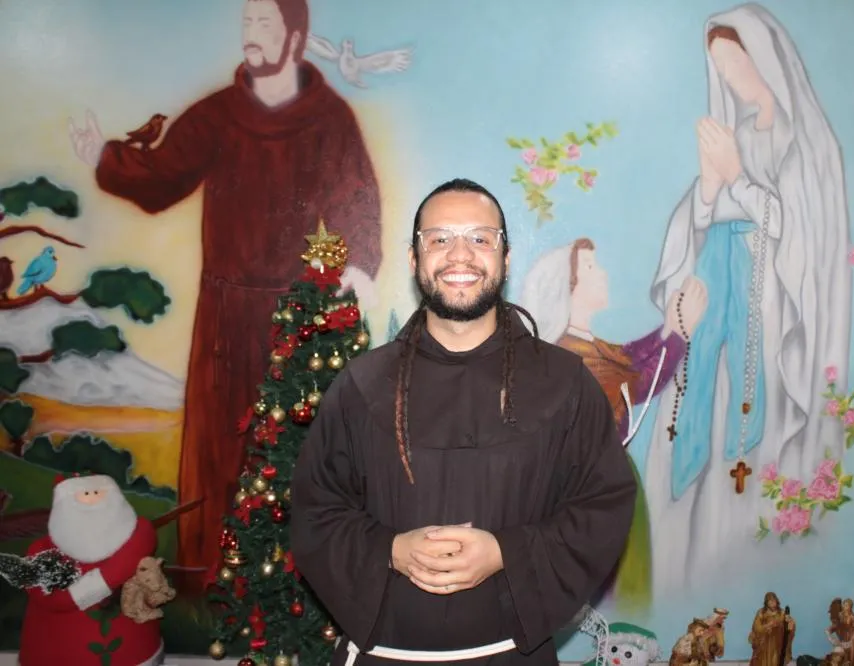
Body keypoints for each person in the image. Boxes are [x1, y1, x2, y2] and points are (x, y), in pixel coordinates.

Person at [67, 0, 383, 573]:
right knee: (217, 448)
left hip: (296, 314)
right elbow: (164, 174)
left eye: (264, 25)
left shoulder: (329, 119)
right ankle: (207, 576)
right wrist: (106, 159)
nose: (251, 36)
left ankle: (290, 585)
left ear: (294, 38)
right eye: (247, 25)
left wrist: (358, 266)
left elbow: (356, 197)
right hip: (224, 309)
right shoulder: (218, 114)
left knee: (293, 447)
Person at [290, 178, 637, 665]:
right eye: (439, 238)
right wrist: (391, 550)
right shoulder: (361, 385)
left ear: (505, 258)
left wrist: (506, 553)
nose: (460, 255)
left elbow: (602, 508)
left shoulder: (565, 383)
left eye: (479, 238)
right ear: (414, 259)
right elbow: (316, 513)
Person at [644, 3, 853, 593]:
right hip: (718, 289)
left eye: (736, 62)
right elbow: (696, 219)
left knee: (752, 424)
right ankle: (696, 540)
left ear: (765, 58)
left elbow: (799, 231)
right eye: (720, 68)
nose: (731, 78)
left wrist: (736, 177)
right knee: (704, 408)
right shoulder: (729, 134)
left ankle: (743, 545)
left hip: (770, 306)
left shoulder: (805, 142)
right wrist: (710, 191)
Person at [518, 238, 707, 616]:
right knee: (616, 584)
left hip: (610, 475)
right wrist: (678, 334)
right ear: (568, 288)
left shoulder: (587, 346)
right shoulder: (570, 355)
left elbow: (626, 359)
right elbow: (635, 382)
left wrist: (669, 330)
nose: (602, 273)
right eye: (591, 268)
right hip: (596, 486)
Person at [19, 474, 163, 666]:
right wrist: (91, 590)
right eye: (85, 494)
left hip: (136, 652)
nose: (94, 498)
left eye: (97, 492)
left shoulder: (138, 534)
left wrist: (95, 585)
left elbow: (142, 540)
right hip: (52, 653)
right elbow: (48, 595)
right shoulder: (42, 552)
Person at [748, 592, 795, 666]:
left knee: (776, 660)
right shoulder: (761, 613)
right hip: (764, 644)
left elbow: (790, 625)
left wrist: (790, 622)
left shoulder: (782, 613)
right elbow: (756, 627)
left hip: (777, 643)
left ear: (777, 601)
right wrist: (767, 626)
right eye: (770, 600)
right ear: (766, 602)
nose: (772, 602)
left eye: (774, 600)